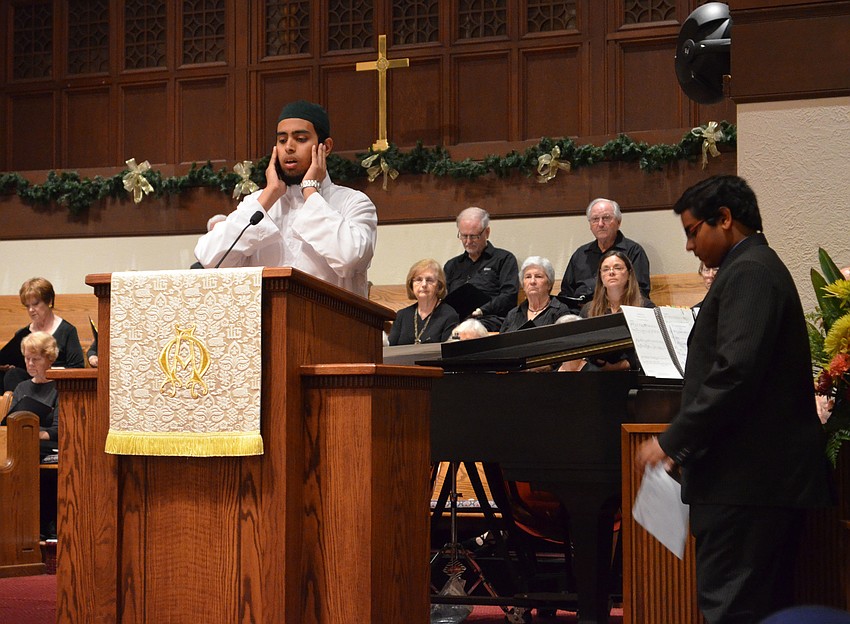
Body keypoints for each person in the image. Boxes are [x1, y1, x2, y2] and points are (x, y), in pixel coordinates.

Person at [635, 175, 831, 624]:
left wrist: (672, 441)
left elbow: (735, 373)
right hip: (755, 483)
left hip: (747, 484)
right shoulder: (750, 267)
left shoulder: (751, 271)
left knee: (733, 611)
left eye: (692, 231)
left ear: (724, 218)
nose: (688, 246)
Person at [193, 100, 378, 297]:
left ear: (326, 147)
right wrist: (269, 194)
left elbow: (350, 259)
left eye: (300, 139)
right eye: (282, 140)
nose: (289, 147)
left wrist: (310, 191)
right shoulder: (260, 203)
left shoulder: (354, 202)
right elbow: (210, 259)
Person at [2, 331, 61, 539]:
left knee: (27, 451)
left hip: (49, 445)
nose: (29, 363)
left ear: (49, 358)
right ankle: (17, 522)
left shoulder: (60, 387)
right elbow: (10, 423)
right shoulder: (22, 387)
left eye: (35, 359)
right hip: (24, 443)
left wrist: (34, 433)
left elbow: (59, 429)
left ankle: (41, 523)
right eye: (27, 358)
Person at [557, 197, 650, 311]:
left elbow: (640, 293)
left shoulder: (633, 251)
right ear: (590, 225)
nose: (600, 224)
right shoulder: (580, 254)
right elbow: (566, 293)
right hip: (580, 315)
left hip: (618, 312)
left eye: (606, 218)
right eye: (595, 219)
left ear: (618, 222)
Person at [572, 250, 653, 372]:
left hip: (633, 373)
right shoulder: (588, 309)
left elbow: (651, 350)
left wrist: (619, 366)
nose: (611, 272)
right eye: (605, 269)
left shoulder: (645, 307)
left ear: (629, 274)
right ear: (600, 277)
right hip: (596, 373)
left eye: (617, 268)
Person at [2, 277, 84, 392]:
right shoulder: (23, 334)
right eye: (27, 306)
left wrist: (46, 370)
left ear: (49, 301)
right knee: (12, 374)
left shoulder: (67, 331)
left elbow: (77, 368)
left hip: (56, 387)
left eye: (35, 304)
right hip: (29, 386)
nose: (31, 310)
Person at [444, 206, 519, 331]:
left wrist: (481, 310)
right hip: (456, 321)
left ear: (487, 232)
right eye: (464, 236)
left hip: (489, 319)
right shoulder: (452, 265)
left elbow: (509, 296)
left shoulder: (504, 259)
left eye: (474, 236)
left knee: (470, 329)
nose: (468, 241)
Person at [388, 259, 459, 345]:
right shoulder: (401, 315)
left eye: (429, 280)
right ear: (411, 285)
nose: (424, 284)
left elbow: (449, 351)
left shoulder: (449, 315)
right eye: (418, 279)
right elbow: (389, 349)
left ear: (439, 286)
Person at [500, 256, 572, 332]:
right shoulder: (513, 314)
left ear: (549, 284)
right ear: (523, 285)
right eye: (528, 277)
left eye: (538, 276)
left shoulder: (560, 311)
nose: (532, 281)